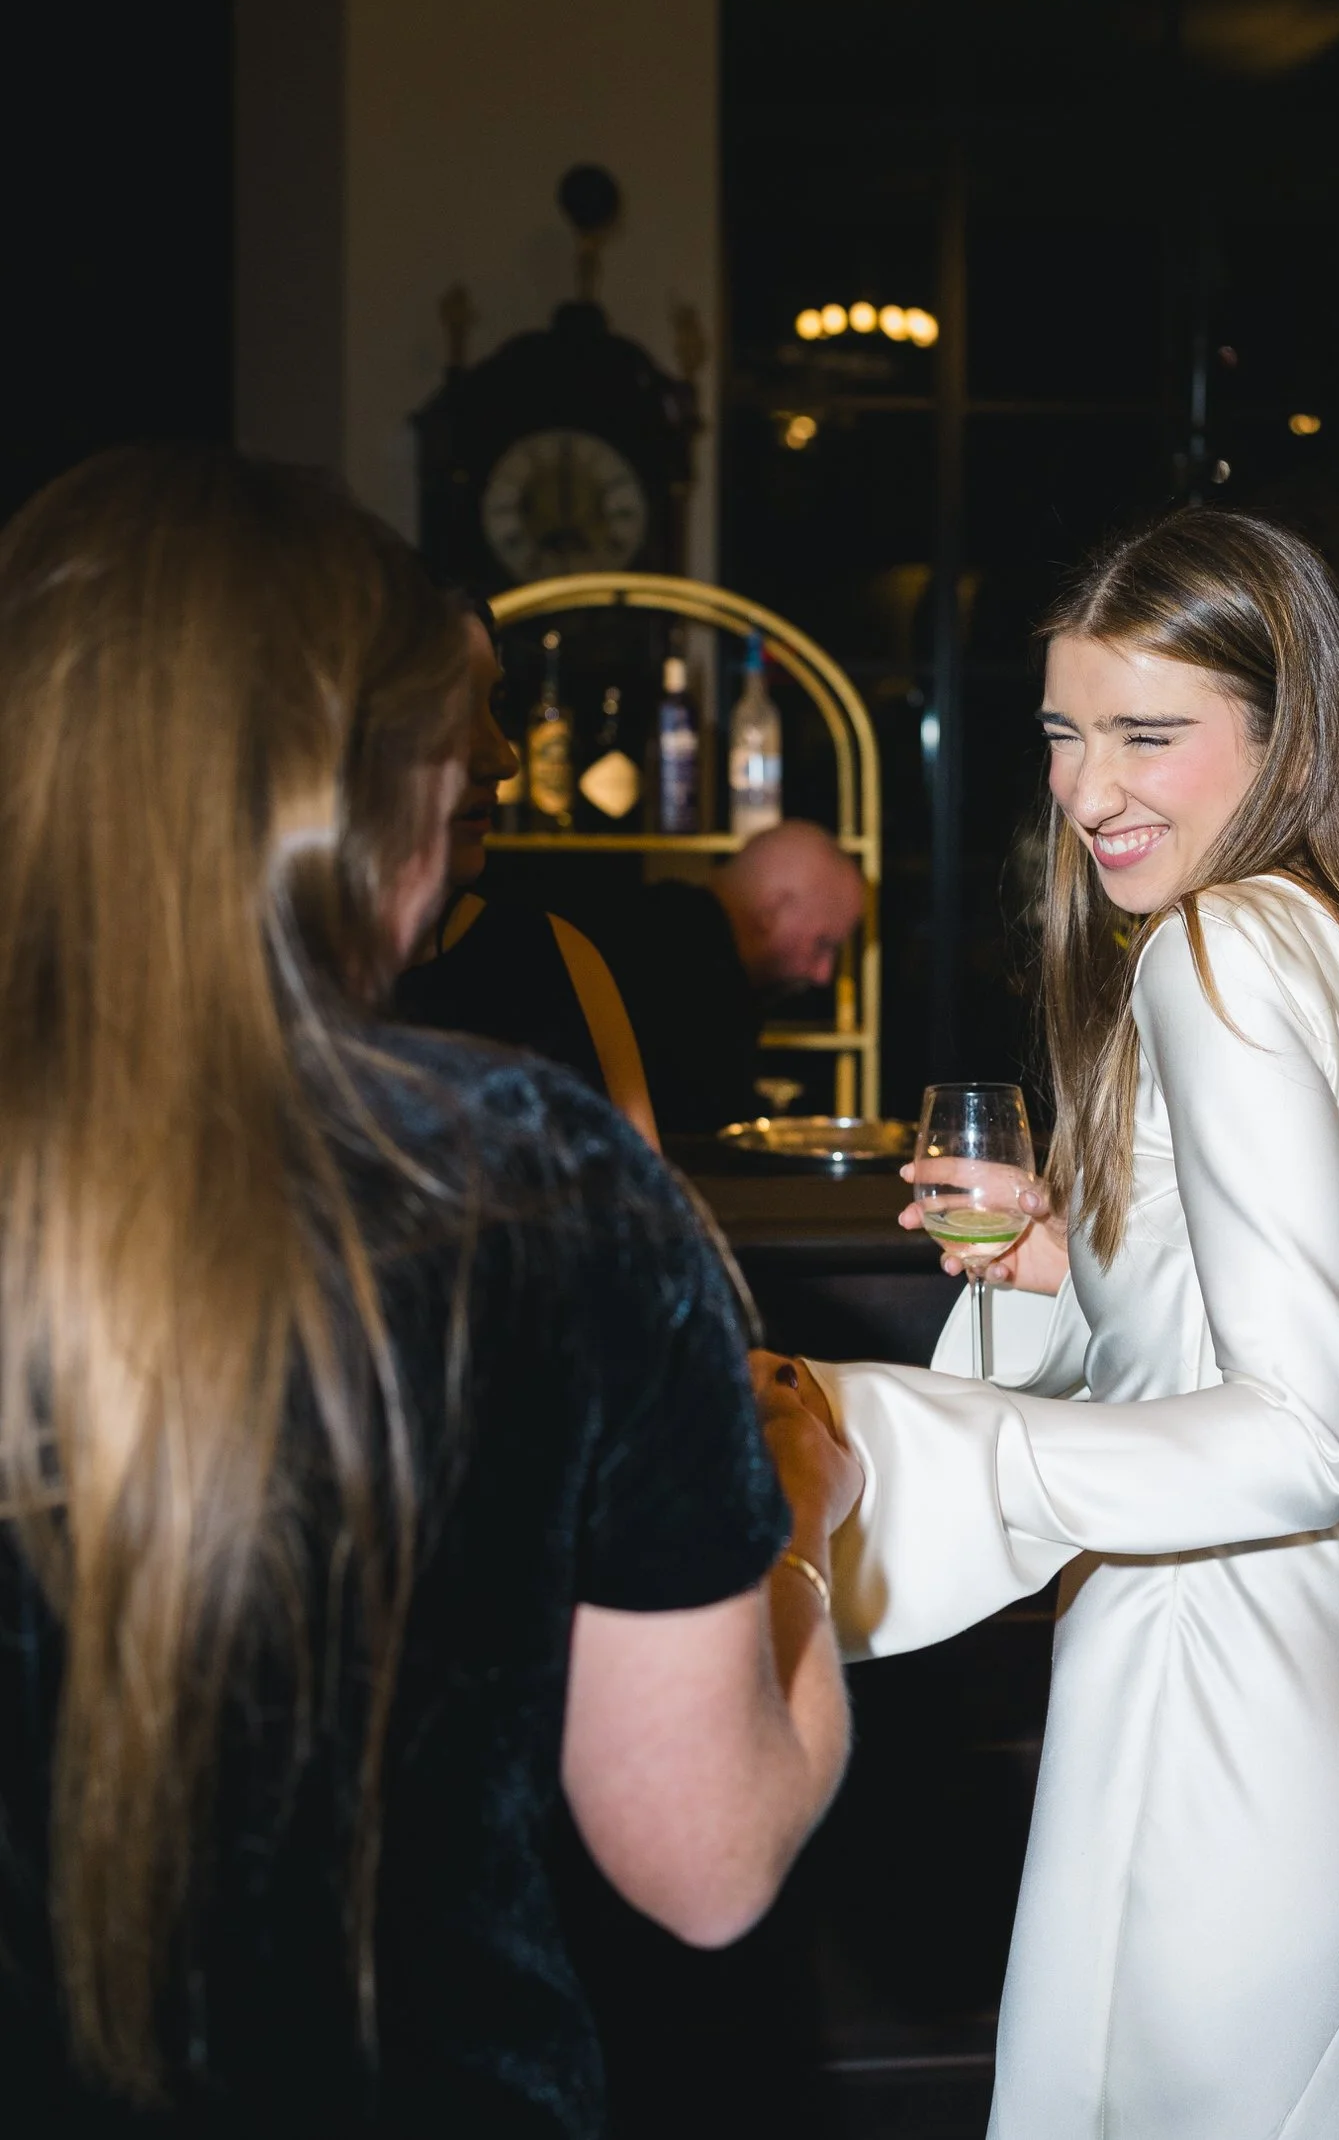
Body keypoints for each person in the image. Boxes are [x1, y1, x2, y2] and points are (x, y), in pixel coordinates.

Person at [0, 447, 858, 2135]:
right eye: (444, 753)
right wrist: (801, 1534)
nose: (480, 782)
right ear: (353, 799)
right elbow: (707, 1859)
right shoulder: (532, 1182)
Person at [783, 511, 1339, 2140]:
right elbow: (1308, 1317)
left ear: (1285, 740)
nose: (1087, 792)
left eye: (1147, 735)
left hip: (1208, 1692)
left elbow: (1300, 1435)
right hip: (1337, 1679)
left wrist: (901, 1443)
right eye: (1062, 735)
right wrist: (1086, 1261)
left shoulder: (1211, 953)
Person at [395, 600, 659, 1146]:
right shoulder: (252, 981)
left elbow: (650, 1195)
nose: (502, 759)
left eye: (492, 706)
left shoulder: (559, 959)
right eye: (450, 712)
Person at [605, 820, 866, 1134]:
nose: (823, 975)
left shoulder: (660, 921)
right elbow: (714, 1138)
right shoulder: (701, 977)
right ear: (773, 909)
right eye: (822, 944)